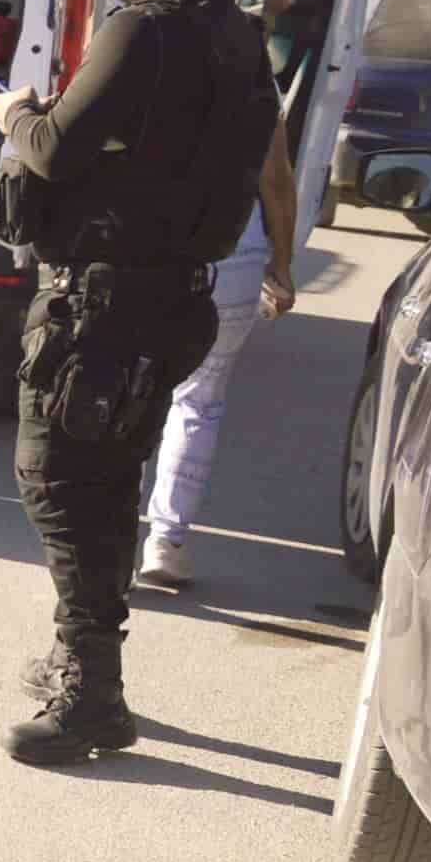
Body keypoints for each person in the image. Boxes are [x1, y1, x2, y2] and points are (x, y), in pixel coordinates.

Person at [0, 0, 280, 762]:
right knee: (105, 484)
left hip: (104, 309)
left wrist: (10, 115)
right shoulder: (237, 34)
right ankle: (90, 669)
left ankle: (92, 695)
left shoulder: (142, 32)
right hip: (170, 299)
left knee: (61, 487)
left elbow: (49, 150)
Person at [136, 122, 300, 589]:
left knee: (127, 390)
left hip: (144, 248)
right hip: (233, 253)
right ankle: (166, 542)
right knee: (198, 401)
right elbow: (276, 181)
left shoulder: (143, 53)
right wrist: (282, 265)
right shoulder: (251, 71)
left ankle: (111, 539)